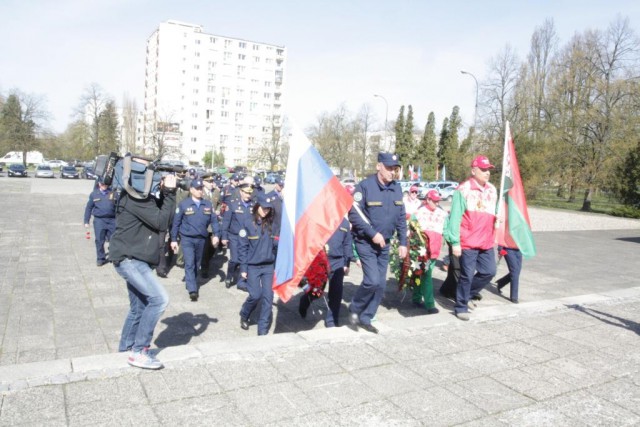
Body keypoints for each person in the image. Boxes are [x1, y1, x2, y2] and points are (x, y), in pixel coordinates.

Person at [110, 165, 177, 370]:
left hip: (133, 257)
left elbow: (162, 214)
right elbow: (162, 221)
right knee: (159, 300)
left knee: (139, 308)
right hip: (131, 259)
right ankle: (139, 351)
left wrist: (166, 192)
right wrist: (171, 192)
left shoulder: (133, 196)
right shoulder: (136, 199)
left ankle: (126, 348)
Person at [348, 152, 407, 333]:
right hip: (366, 242)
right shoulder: (364, 187)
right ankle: (355, 309)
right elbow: (354, 214)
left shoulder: (396, 188)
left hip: (385, 244)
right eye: (389, 168)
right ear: (378, 166)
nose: (392, 172)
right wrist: (372, 233)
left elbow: (401, 217)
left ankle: (366, 317)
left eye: (394, 169)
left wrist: (403, 241)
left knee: (380, 285)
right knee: (372, 281)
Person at [446, 155, 498, 321]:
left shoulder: (492, 189)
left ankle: (466, 294)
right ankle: (461, 305)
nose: (487, 173)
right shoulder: (464, 189)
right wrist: (455, 242)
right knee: (466, 275)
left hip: (486, 240)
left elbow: (493, 213)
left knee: (489, 271)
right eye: (483, 169)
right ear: (473, 170)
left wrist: (497, 223)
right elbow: (454, 217)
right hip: (468, 240)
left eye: (488, 169)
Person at [171, 178, 220, 301]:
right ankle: (193, 289)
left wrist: (216, 235)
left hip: (202, 239)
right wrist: (173, 239)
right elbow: (176, 223)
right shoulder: (184, 204)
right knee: (189, 262)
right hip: (187, 239)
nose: (200, 191)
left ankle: (190, 281)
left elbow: (214, 221)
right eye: (197, 189)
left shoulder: (207, 204)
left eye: (201, 189)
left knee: (197, 264)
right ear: (191, 190)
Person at [298, 217, 353, 327]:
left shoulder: (345, 223)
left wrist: (346, 263)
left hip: (337, 261)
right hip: (320, 261)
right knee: (316, 291)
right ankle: (305, 301)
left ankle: (332, 321)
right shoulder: (320, 218)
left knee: (336, 292)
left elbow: (347, 244)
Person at [238, 193, 279, 335]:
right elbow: (242, 248)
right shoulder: (248, 223)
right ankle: (244, 313)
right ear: (257, 207)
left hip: (268, 266)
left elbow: (276, 244)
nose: (266, 211)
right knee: (255, 295)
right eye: (263, 208)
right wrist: (243, 268)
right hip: (253, 266)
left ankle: (262, 330)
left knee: (268, 297)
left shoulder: (273, 225)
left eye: (268, 209)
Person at [411, 190, 447, 314]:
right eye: (434, 201)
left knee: (424, 275)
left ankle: (423, 300)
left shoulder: (442, 214)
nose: (437, 204)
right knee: (421, 274)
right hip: (420, 251)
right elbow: (410, 230)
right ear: (428, 200)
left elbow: (446, 231)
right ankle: (424, 301)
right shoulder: (418, 213)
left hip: (434, 251)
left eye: (438, 201)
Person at [221, 179, 255, 289]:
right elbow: (226, 221)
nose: (248, 195)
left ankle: (241, 281)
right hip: (234, 236)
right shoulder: (233, 204)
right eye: (246, 192)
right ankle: (229, 276)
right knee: (235, 259)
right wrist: (224, 237)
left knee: (244, 259)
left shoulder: (254, 205)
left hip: (248, 237)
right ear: (241, 192)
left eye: (250, 193)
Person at [83, 177, 117, 266]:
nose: (104, 186)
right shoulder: (94, 194)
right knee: (99, 240)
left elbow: (119, 207)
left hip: (112, 220)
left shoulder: (113, 194)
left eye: (106, 184)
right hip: (99, 220)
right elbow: (89, 208)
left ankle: (114, 256)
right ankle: (100, 258)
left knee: (114, 239)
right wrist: (86, 220)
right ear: (99, 184)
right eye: (102, 184)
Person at [200, 175, 222, 279]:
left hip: (213, 222)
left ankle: (205, 261)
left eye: (212, 181)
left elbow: (220, 203)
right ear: (203, 182)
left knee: (214, 246)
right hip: (203, 223)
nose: (211, 183)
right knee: (204, 247)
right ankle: (204, 268)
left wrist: (218, 209)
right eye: (209, 181)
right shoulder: (200, 192)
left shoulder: (216, 192)